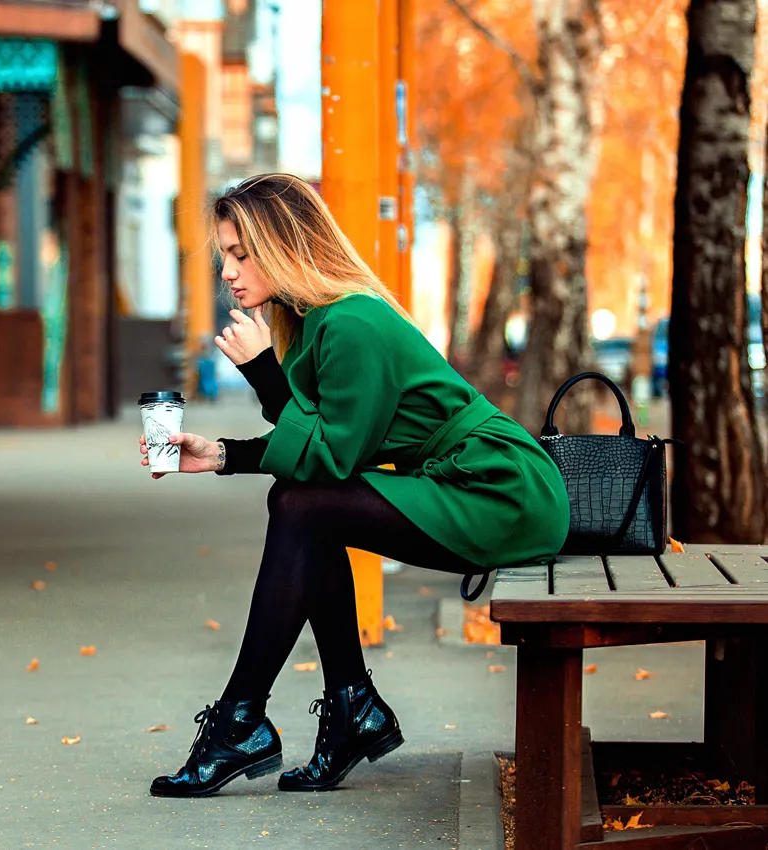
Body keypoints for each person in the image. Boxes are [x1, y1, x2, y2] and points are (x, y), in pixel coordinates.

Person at [138, 173, 570, 798]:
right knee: (302, 507)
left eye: (241, 253)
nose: (228, 272)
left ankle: (251, 719)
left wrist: (262, 372)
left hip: (501, 489)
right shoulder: (313, 323)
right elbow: (320, 444)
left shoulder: (351, 324)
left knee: (301, 505)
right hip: (463, 479)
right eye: (224, 256)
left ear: (287, 246)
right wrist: (223, 455)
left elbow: (330, 459)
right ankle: (343, 711)